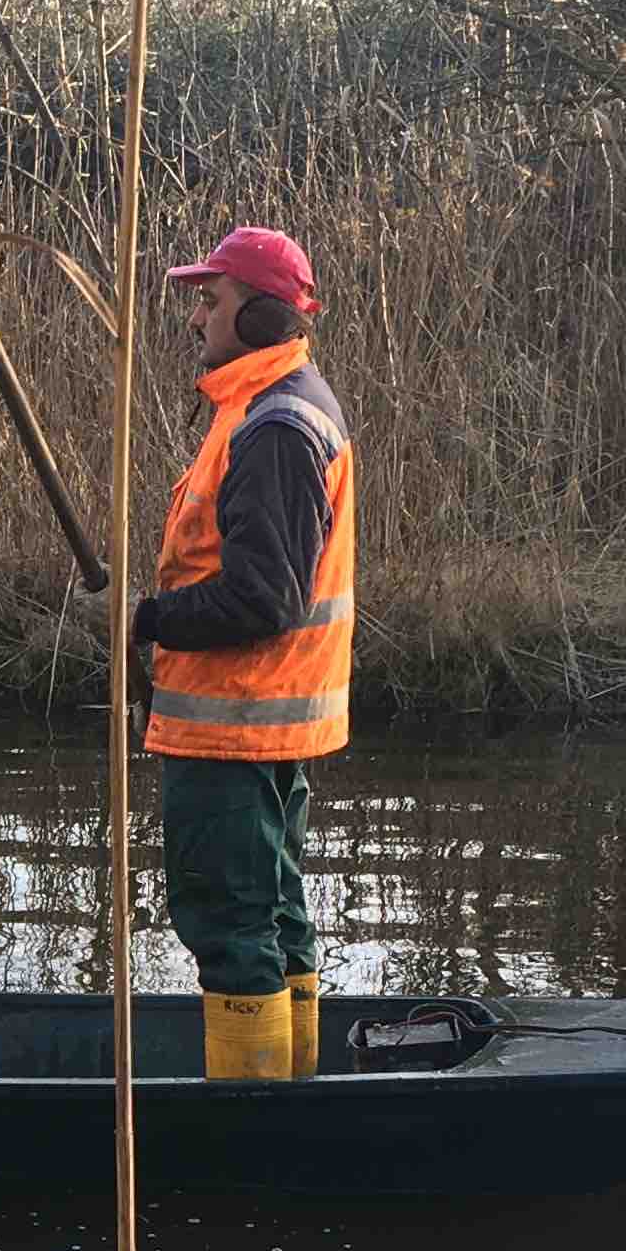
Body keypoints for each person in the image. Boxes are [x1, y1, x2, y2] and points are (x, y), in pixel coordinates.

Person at [132, 226, 355, 1081]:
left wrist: (145, 620)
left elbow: (262, 600)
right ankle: (291, 1092)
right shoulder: (267, 409)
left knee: (230, 924)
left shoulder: (274, 427)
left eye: (210, 301)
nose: (196, 319)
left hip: (235, 731)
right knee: (275, 916)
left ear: (262, 316)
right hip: (261, 725)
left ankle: (255, 1120)